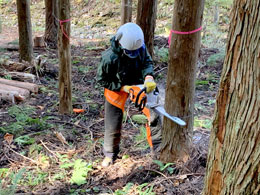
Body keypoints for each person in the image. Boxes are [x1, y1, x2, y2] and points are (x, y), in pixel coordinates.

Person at [96, 23, 157, 167]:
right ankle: (110, 154)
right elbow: (102, 80)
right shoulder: (109, 58)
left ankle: (158, 150)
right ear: (120, 43)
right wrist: (122, 87)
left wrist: (148, 77)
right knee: (113, 121)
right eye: (130, 53)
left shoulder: (140, 46)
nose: (133, 55)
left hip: (138, 83)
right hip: (116, 86)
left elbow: (146, 62)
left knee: (154, 114)